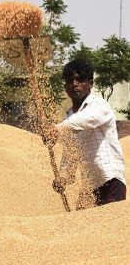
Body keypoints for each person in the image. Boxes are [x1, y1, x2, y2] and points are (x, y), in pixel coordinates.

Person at [50, 58, 126, 207]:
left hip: (111, 180)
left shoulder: (99, 105)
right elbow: (71, 152)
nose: (74, 84)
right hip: (90, 187)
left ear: (90, 83)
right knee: (84, 225)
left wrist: (56, 129)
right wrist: (64, 177)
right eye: (69, 81)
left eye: (80, 80)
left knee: (109, 225)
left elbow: (86, 120)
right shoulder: (68, 117)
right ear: (65, 86)